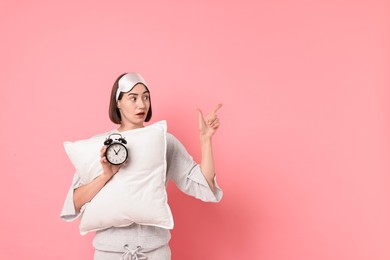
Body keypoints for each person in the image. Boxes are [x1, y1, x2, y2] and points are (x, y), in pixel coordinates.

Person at [60, 72, 223, 260]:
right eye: (133, 98)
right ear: (118, 102)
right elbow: (74, 203)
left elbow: (204, 184)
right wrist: (106, 175)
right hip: (109, 254)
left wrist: (206, 140)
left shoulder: (163, 142)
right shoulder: (99, 145)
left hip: (155, 253)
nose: (142, 104)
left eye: (146, 97)